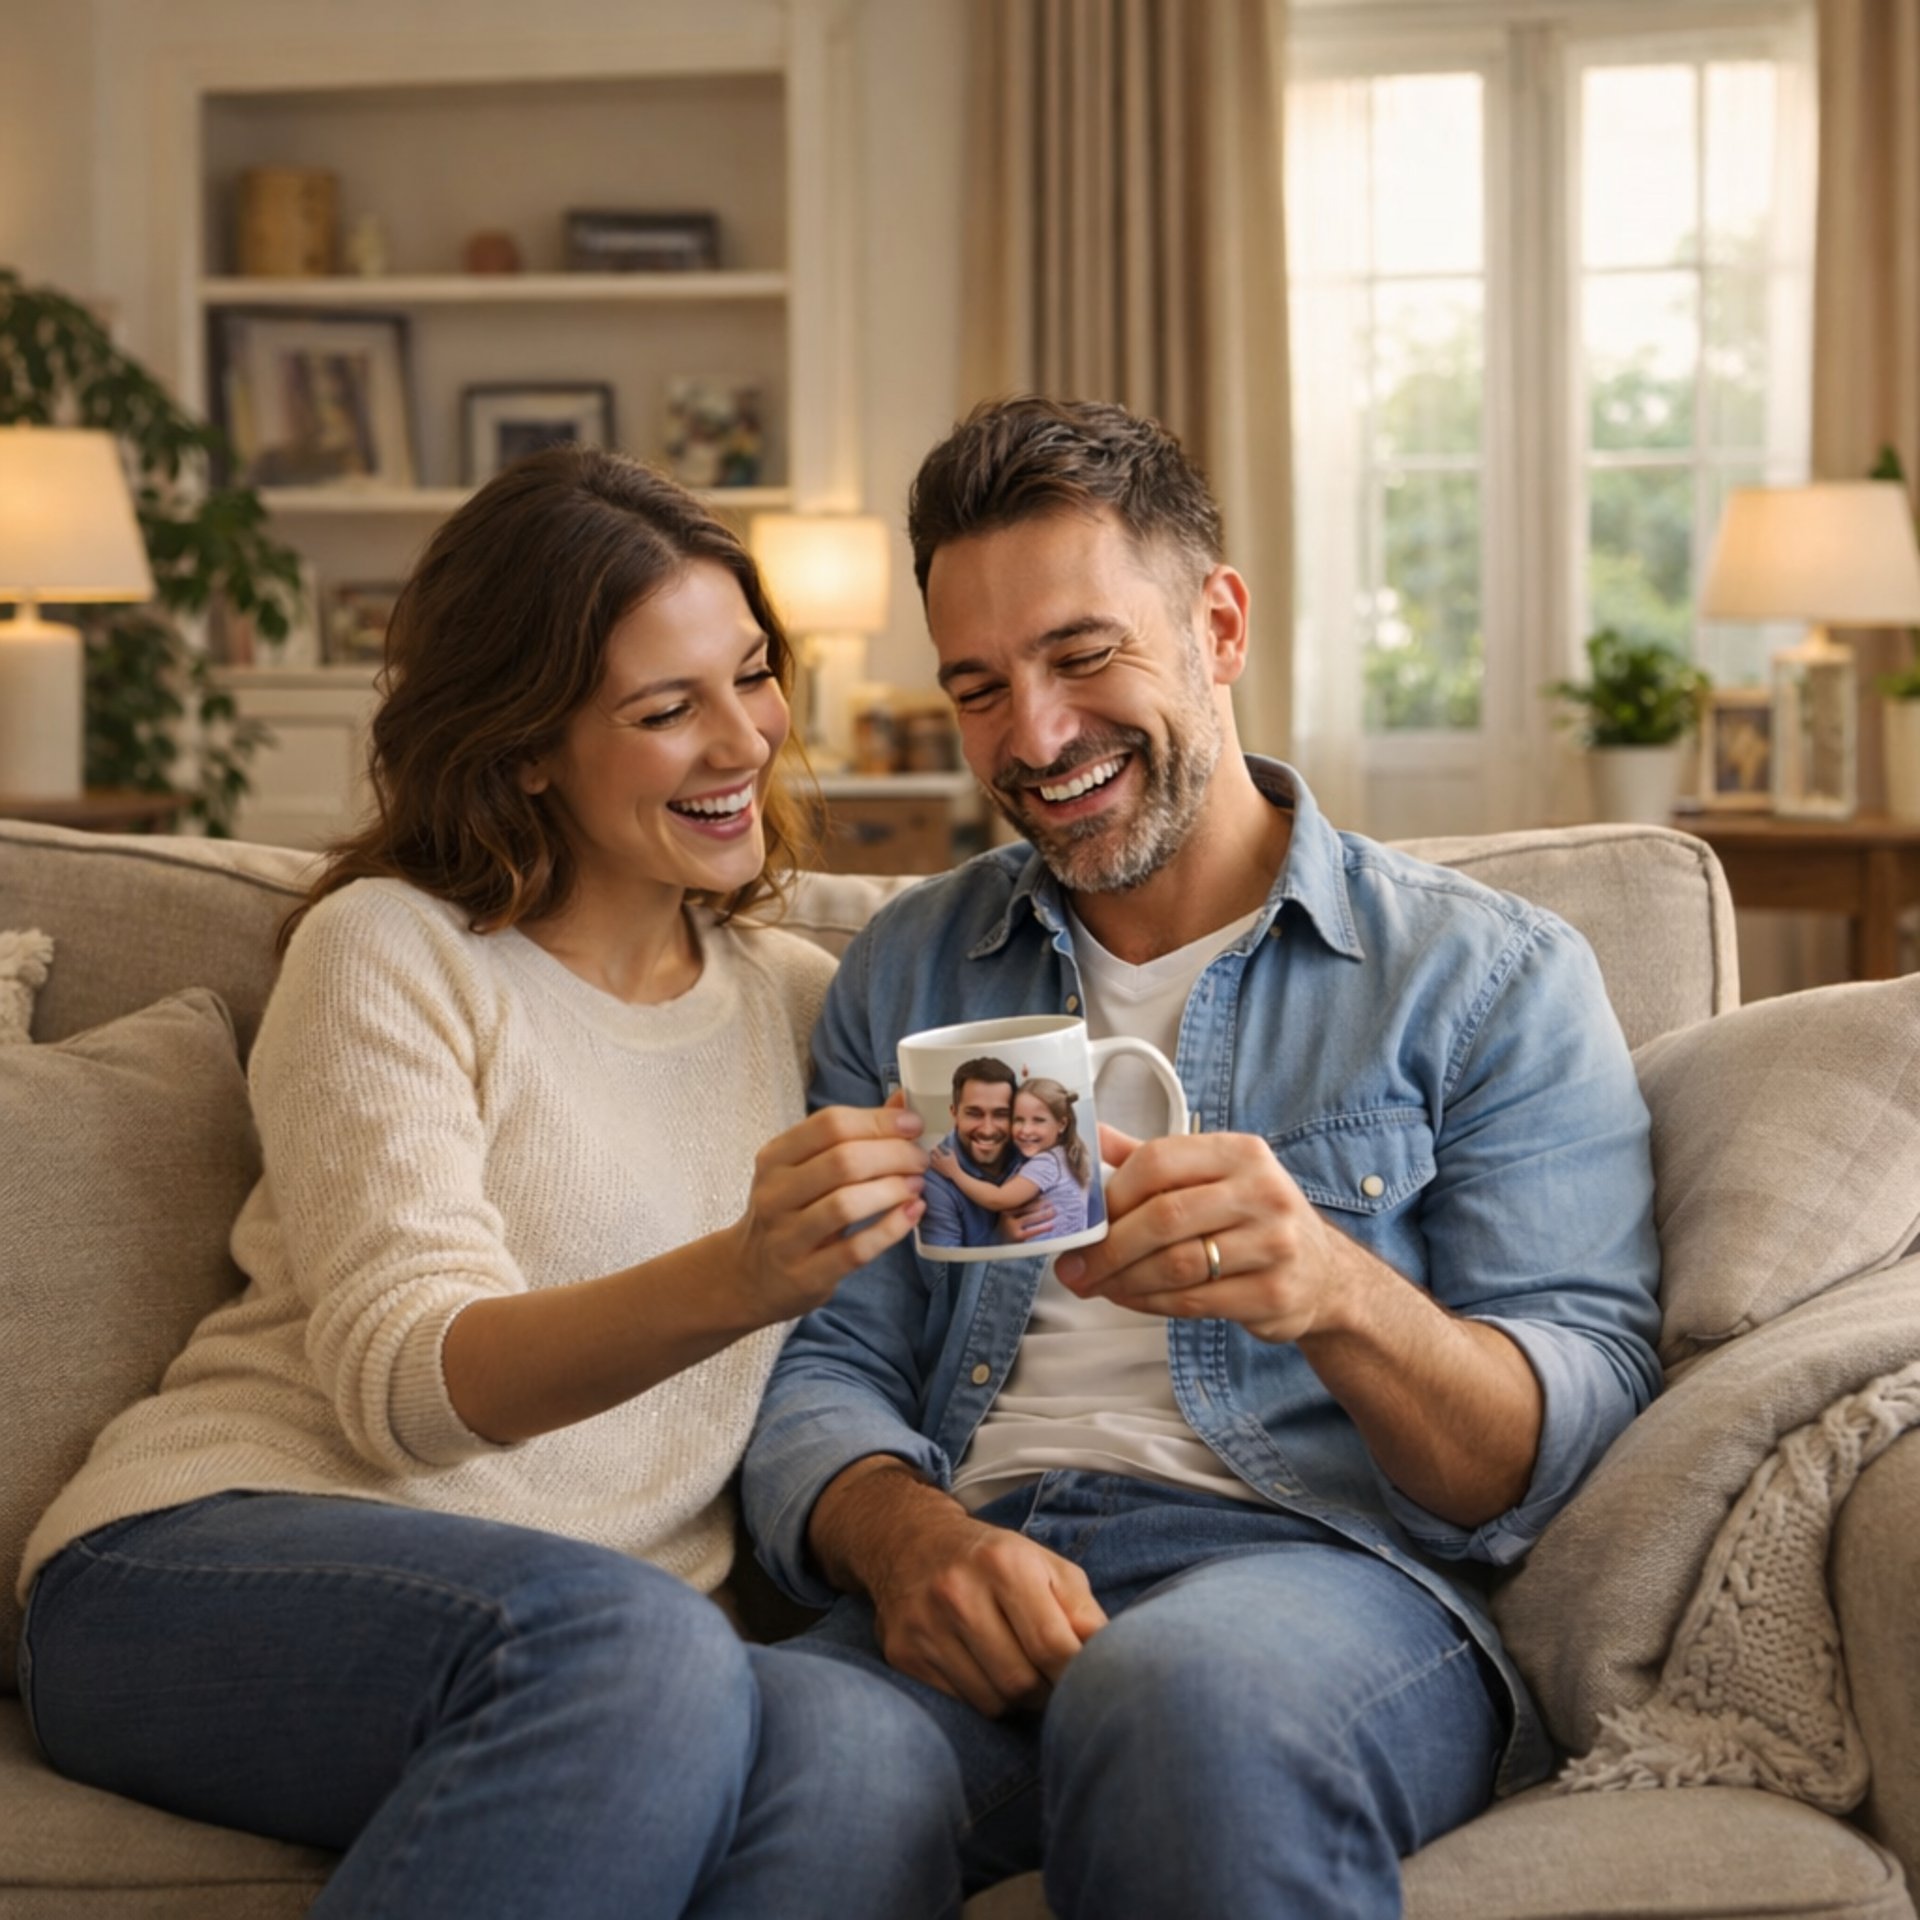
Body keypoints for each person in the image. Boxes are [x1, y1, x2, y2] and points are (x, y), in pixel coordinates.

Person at [742, 397, 1663, 1918]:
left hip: (1315, 1581)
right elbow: (820, 1358)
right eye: (981, 687)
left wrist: (1337, 1294)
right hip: (976, 1562)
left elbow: (1550, 1451)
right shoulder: (907, 973)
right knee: (786, 1758)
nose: (1033, 739)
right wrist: (904, 1538)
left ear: (1219, 626)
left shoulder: (1484, 978)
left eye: (1084, 656)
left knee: (1177, 1703)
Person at [16, 447, 964, 1920]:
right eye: (667, 710)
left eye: (754, 675)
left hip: (623, 1634)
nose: (746, 741)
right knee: (634, 1649)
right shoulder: (396, 950)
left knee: (869, 1755)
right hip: (207, 1559)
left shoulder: (806, 1006)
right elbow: (406, 1391)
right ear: (527, 747)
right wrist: (742, 1272)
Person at [930, 1077, 1094, 1243]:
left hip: (1038, 1260)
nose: (1026, 1130)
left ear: (1062, 1124)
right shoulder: (1068, 1155)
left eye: (1038, 1120)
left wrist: (955, 1172)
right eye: (1018, 1120)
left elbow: (998, 1199)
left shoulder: (1046, 1163)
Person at [917, 1056, 1025, 1249]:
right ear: (954, 1114)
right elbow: (943, 1274)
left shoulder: (1033, 1155)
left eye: (1001, 1114)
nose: (987, 1130)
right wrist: (1000, 1240)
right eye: (974, 1114)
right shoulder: (933, 1179)